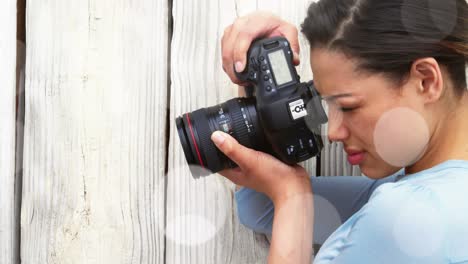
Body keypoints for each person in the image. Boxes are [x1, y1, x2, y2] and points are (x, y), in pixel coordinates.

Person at [210, 0, 468, 263]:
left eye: (348, 106)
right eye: (326, 103)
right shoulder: (436, 189)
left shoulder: (412, 217)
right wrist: (260, 84)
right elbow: (261, 205)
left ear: (426, 80)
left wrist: (291, 195)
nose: (333, 132)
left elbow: (287, 203)